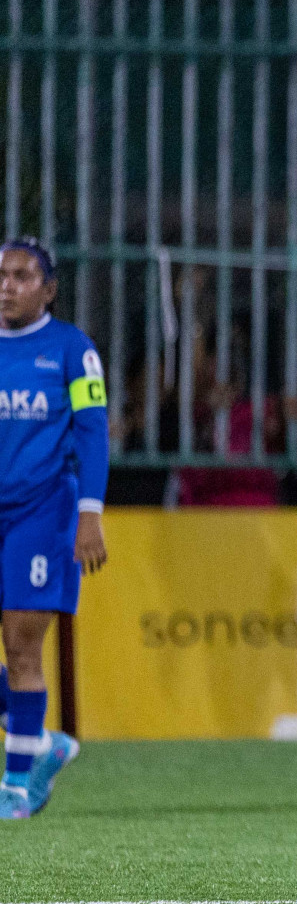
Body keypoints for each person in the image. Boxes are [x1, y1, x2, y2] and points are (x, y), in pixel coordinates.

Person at [0, 237, 108, 818]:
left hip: (42, 509)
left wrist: (90, 512)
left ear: (49, 288)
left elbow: (93, 431)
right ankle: (42, 743)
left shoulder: (71, 350)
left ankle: (17, 785)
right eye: (2, 275)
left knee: (21, 642)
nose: (8, 285)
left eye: (22, 276)